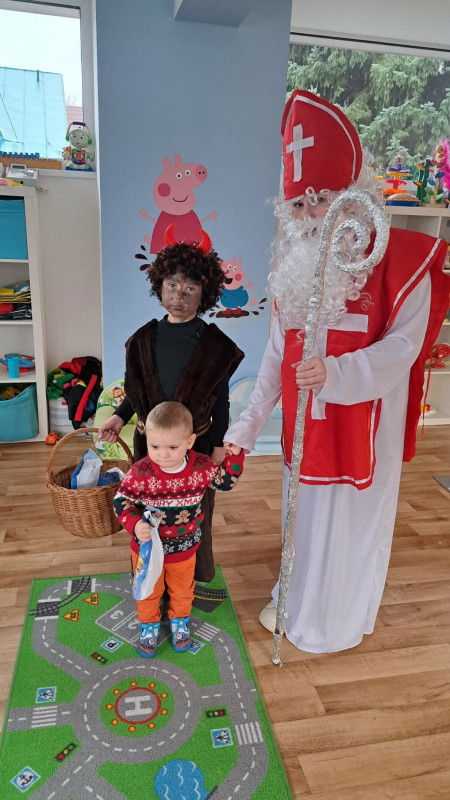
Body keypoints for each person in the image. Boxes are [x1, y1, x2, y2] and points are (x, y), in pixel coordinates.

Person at [225, 90, 449, 654]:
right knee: (302, 517)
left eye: (322, 200)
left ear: (356, 199)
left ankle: (337, 620)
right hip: (307, 429)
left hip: (364, 427)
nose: (310, 218)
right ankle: (295, 598)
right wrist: (245, 428)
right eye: (298, 205)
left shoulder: (402, 262)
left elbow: (403, 349)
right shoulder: (292, 271)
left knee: (349, 524)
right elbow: (277, 358)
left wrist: (337, 373)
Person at [98, 229, 244, 583]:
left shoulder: (215, 346)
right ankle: (151, 574)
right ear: (160, 286)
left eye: (191, 289)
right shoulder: (142, 340)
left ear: (204, 294)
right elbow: (136, 390)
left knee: (196, 511)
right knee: (147, 510)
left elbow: (222, 400)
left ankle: (190, 575)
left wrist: (220, 446)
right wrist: (118, 417)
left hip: (196, 447)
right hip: (150, 447)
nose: (180, 295)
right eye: (173, 286)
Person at [113, 401, 244, 657]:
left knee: (183, 590)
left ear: (190, 441)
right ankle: (148, 625)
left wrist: (235, 455)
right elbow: (121, 500)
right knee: (148, 591)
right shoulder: (141, 471)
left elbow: (225, 482)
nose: (162, 454)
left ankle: (180, 621)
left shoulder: (201, 467)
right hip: (147, 549)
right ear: (147, 440)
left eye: (172, 447)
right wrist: (135, 524)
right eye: (154, 446)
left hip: (184, 549)